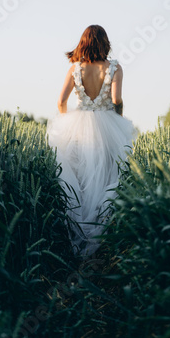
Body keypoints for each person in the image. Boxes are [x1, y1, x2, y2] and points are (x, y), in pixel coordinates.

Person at [46, 25, 137, 257]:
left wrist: (67, 124)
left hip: (79, 127)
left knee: (81, 180)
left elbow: (60, 102)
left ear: (83, 42)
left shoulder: (75, 68)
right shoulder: (115, 67)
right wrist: (118, 122)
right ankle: (99, 243)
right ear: (105, 42)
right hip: (108, 127)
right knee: (106, 178)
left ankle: (77, 241)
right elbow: (116, 99)